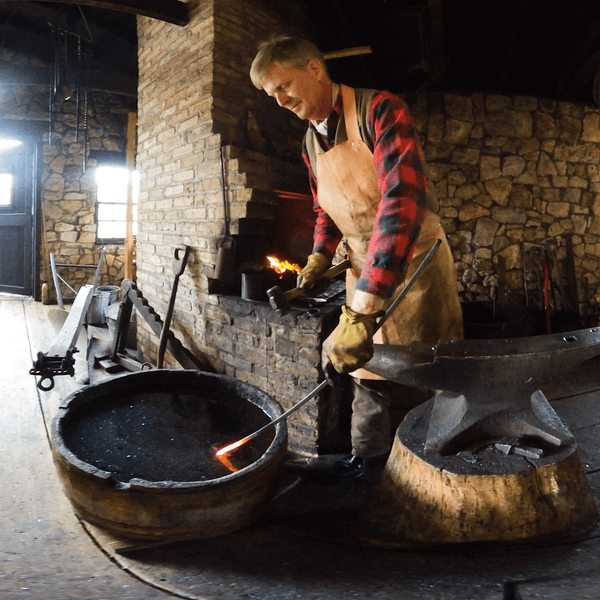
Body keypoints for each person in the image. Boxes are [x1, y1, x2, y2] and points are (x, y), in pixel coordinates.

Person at [250, 36, 463, 480]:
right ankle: (366, 463)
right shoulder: (310, 142)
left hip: (415, 262)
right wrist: (317, 258)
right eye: (271, 95)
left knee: (430, 371)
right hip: (361, 267)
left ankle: (434, 465)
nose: (280, 101)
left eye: (284, 86)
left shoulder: (380, 110)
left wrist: (363, 308)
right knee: (364, 371)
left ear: (314, 69)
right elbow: (325, 211)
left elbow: (402, 203)